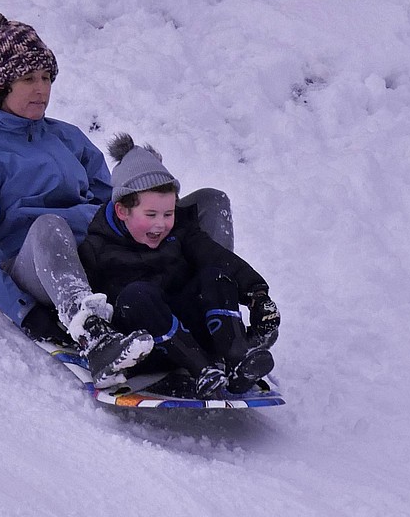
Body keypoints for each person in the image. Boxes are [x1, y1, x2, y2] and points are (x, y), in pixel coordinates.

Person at [0, 10, 154, 387]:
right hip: (34, 268)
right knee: (48, 226)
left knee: (202, 204)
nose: (41, 89)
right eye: (28, 79)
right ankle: (94, 335)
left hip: (93, 255)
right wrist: (24, 312)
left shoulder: (67, 137)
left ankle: (215, 319)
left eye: (45, 78)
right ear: (0, 87)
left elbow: (112, 207)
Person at [78, 134, 281, 397]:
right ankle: (203, 370)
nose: (160, 224)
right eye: (150, 215)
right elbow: (89, 304)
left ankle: (237, 357)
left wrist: (257, 294)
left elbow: (216, 256)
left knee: (215, 275)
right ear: (122, 211)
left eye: (168, 213)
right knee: (137, 295)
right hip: (145, 344)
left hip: (187, 327)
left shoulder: (181, 231)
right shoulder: (97, 247)